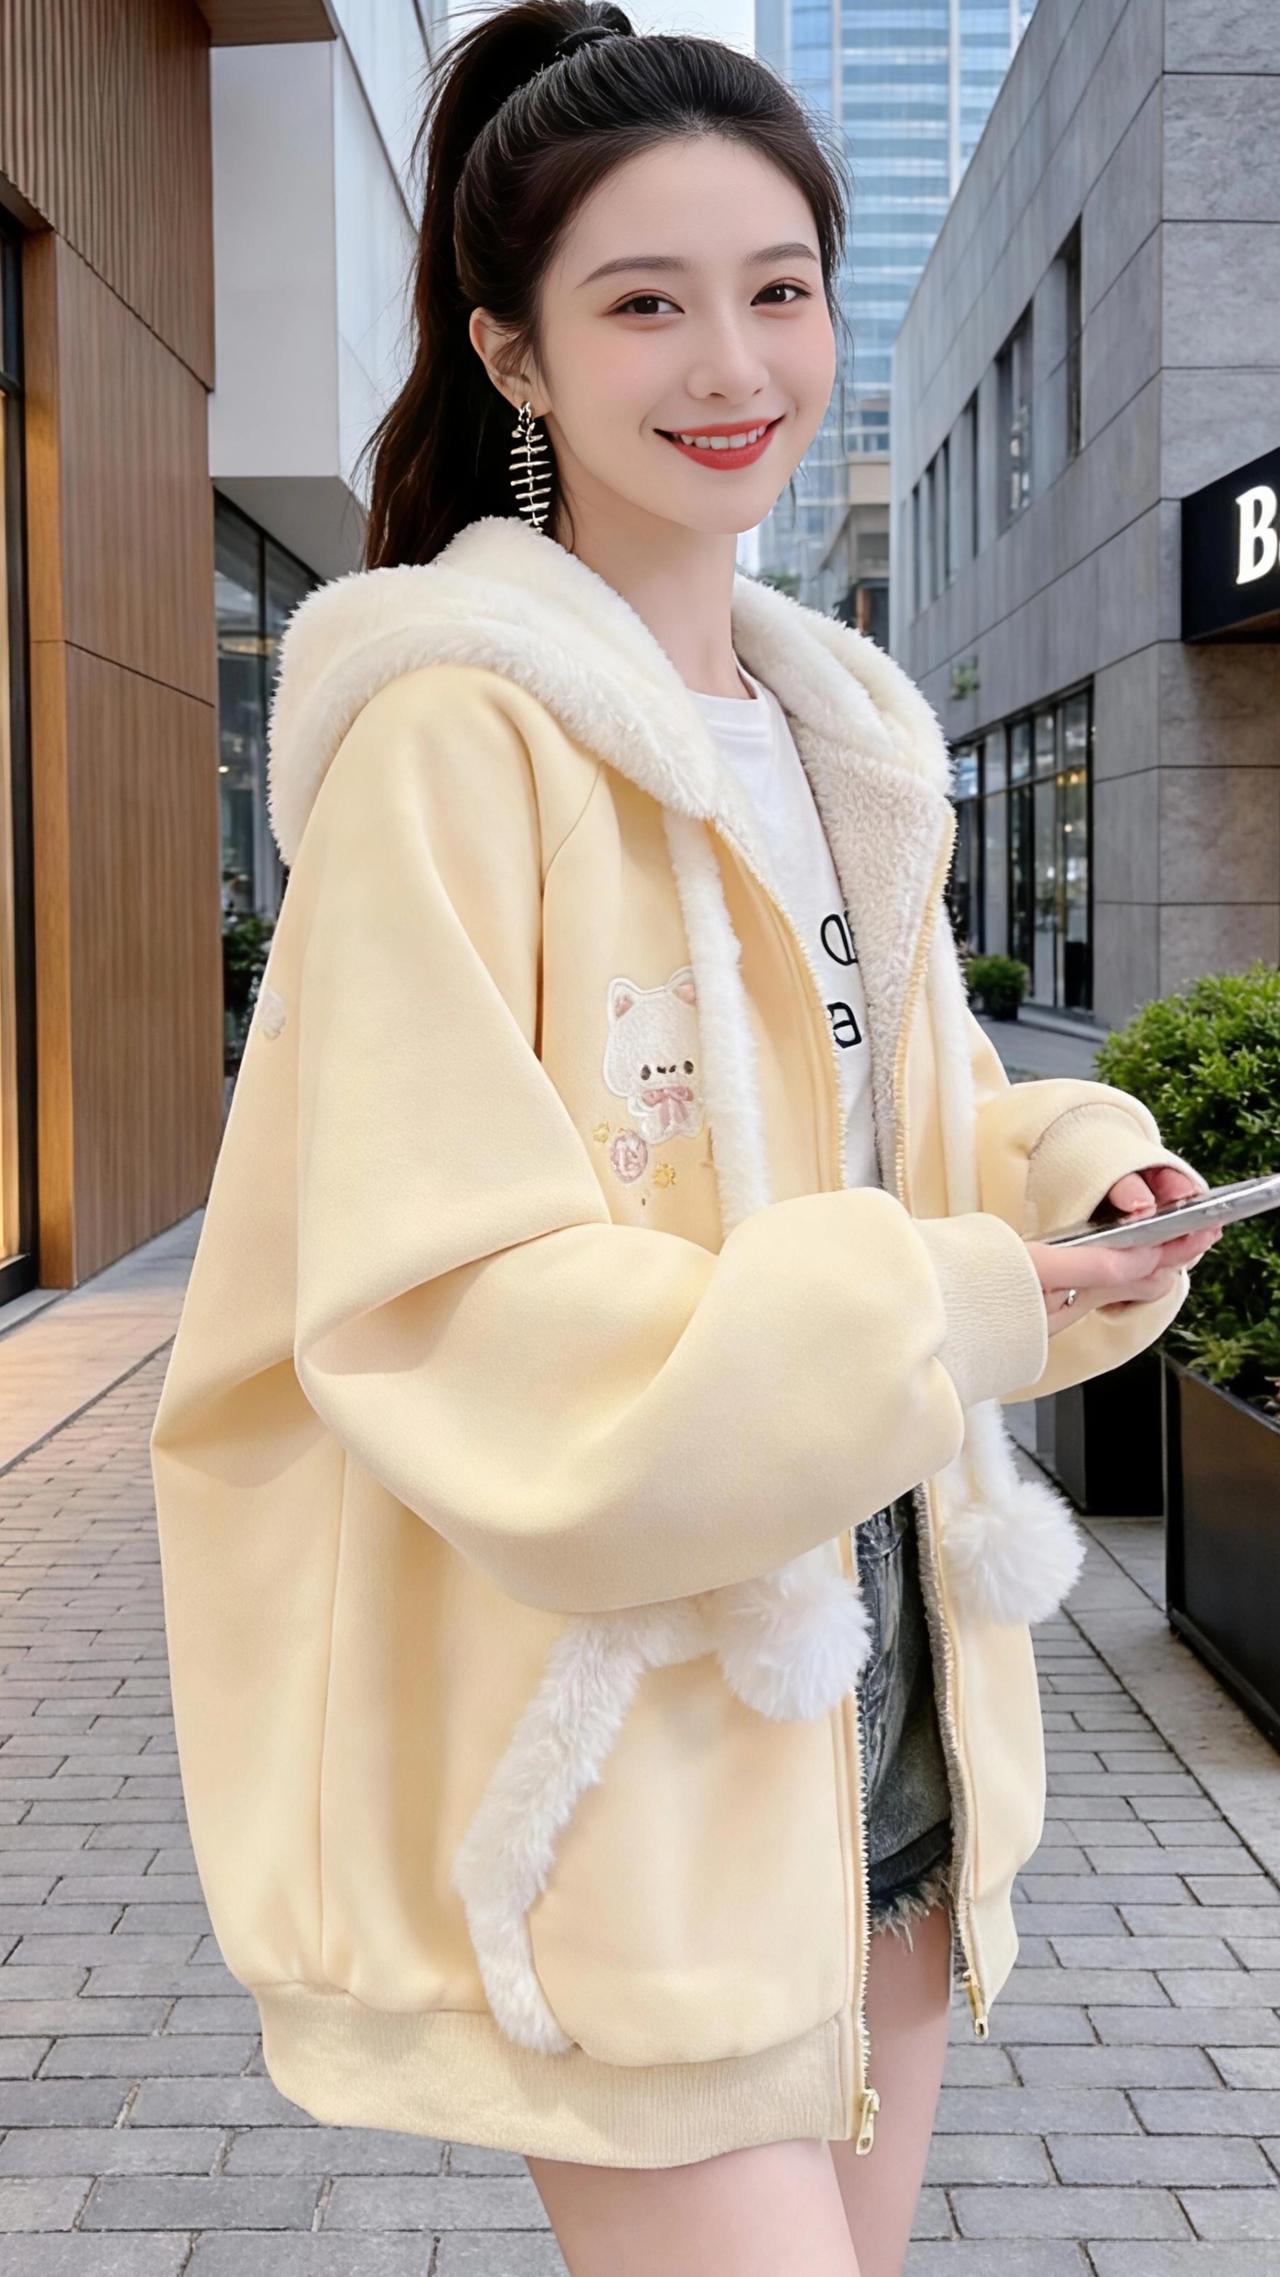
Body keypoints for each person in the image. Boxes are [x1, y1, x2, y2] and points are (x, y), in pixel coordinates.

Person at [149, 6, 1221, 2271]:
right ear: (512, 354)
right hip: (625, 1744)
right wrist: (941, 1298)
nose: (732, 363)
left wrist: (1065, 1178)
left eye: (779, 288)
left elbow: (906, 1117)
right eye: (643, 301)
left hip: (889, 1697)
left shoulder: (843, 739)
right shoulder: (453, 739)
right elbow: (440, 1295)